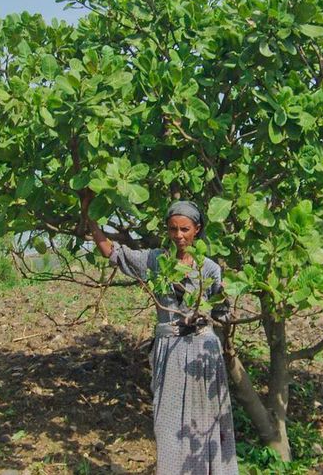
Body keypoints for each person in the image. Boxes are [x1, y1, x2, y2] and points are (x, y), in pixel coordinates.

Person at [81, 195, 239, 475]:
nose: (178, 235)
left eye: (185, 229)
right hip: (170, 349)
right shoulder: (155, 261)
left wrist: (226, 296)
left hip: (204, 352)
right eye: (173, 229)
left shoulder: (210, 269)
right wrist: (90, 216)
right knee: (167, 422)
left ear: (197, 230)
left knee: (206, 418)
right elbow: (113, 253)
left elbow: (222, 314)